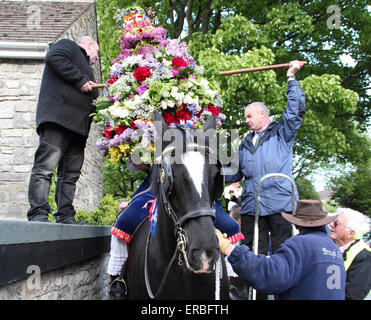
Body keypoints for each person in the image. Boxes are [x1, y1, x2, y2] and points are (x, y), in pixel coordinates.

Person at [225, 60, 306, 257]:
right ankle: (250, 289)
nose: (246, 121)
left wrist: (291, 77)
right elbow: (233, 171)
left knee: (282, 252)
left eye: (249, 116)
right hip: (252, 208)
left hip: (280, 204)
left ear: (263, 114)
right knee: (251, 253)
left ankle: (280, 288)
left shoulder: (282, 132)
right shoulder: (245, 143)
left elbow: (295, 111)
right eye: (245, 117)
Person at [27, 36, 99, 224]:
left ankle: (65, 215)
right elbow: (53, 57)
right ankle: (38, 214)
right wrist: (80, 79)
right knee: (45, 168)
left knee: (70, 176)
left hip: (78, 131)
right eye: (97, 54)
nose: (97, 58)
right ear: (89, 45)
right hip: (58, 121)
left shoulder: (87, 69)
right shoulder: (67, 46)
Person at [216, 199, 346, 300]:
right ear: (323, 222)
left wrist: (228, 248)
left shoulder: (300, 244)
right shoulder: (333, 248)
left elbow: (269, 275)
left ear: (296, 223)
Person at [329, 208, 371, 300]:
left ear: (350, 233)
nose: (331, 225)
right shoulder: (331, 245)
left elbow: (352, 295)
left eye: (336, 223)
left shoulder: (364, 256)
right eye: (333, 221)